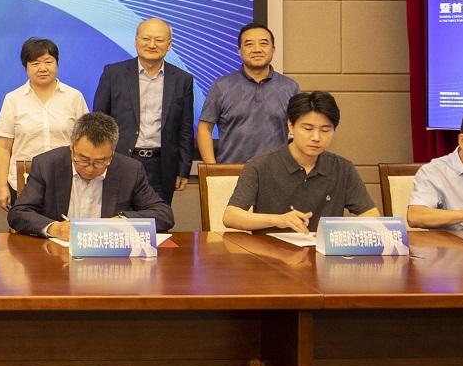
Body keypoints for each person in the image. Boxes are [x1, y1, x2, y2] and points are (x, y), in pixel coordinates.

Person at [224, 90, 380, 233]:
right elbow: (231, 216)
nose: (316, 137)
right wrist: (277, 220)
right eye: (308, 129)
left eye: (325, 130)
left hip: (322, 251)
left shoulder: (343, 168)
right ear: (291, 126)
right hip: (271, 252)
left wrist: (339, 229)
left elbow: (371, 214)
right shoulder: (259, 166)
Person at [9, 111, 175, 239]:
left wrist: (123, 221)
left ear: (112, 153)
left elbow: (164, 215)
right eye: (83, 159)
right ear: (72, 145)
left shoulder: (129, 170)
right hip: (57, 256)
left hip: (108, 260)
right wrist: (55, 228)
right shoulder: (47, 165)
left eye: (100, 162)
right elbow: (19, 213)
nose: (89, 169)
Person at [93, 17, 195, 206]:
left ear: (169, 45)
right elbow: (98, 122)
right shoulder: (113, 74)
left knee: (157, 218)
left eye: (159, 40)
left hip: (161, 167)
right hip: (119, 161)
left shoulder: (182, 80)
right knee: (116, 218)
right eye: (146, 39)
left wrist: (183, 169)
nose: (152, 45)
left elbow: (185, 129)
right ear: (136, 41)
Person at [0, 37, 89, 212]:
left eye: (48, 62)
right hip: (23, 181)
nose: (43, 68)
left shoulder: (74, 97)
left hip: (66, 179)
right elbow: (4, 147)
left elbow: (86, 142)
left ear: (57, 64)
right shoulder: (13, 99)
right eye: (35, 63)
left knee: (63, 226)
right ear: (26, 67)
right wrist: (1, 186)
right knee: (26, 227)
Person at [197, 23, 300, 164]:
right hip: (231, 171)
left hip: (276, 172)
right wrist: (212, 168)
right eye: (249, 44)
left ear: (273, 49)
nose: (257, 49)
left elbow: (301, 130)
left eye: (263, 43)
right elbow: (205, 128)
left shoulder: (290, 87)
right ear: (239, 51)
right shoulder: (221, 86)